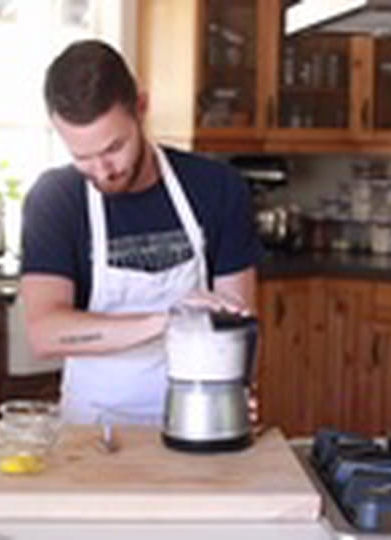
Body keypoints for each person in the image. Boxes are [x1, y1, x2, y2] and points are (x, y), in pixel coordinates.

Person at [20, 39, 263, 425]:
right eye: (82, 157)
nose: (103, 171)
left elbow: (236, 318)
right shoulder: (55, 199)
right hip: (92, 428)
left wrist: (234, 389)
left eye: (114, 147)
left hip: (198, 417)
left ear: (141, 107)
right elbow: (45, 334)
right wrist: (167, 320)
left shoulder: (217, 187)